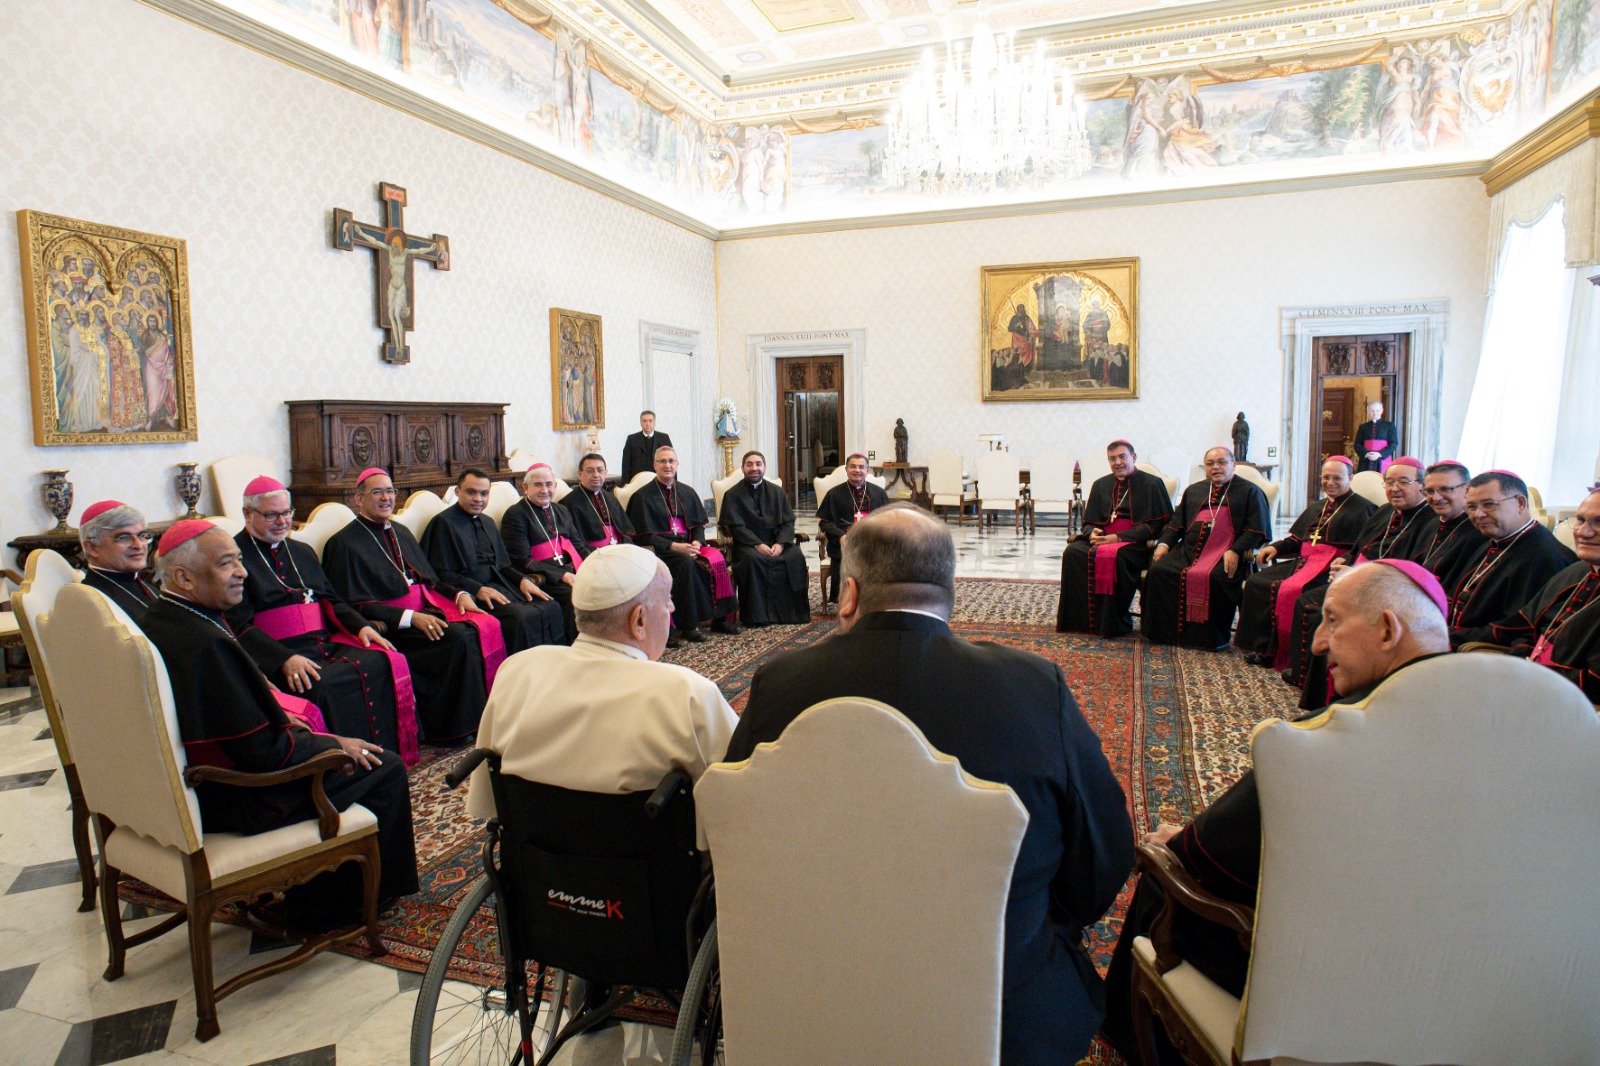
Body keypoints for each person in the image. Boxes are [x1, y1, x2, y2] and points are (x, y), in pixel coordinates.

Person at [726, 506, 1134, 1065]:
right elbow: (1104, 856)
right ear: (951, 592)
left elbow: (735, 837)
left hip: (811, 1004)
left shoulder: (780, 684)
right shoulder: (1034, 685)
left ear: (849, 593)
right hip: (1004, 1018)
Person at [1101, 560, 1452, 1062]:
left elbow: (1210, 856)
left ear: (1387, 629)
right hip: (1455, 969)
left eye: (1333, 621)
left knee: (1163, 879)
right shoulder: (1512, 720)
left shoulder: (1330, 737)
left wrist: (1178, 843)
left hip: (1334, 976)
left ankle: (1134, 1040)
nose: (1318, 644)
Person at [467, 544, 738, 1064]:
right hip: (656, 907)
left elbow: (489, 806)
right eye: (667, 602)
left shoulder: (518, 672)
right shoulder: (683, 692)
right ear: (639, 619)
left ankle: (591, 980)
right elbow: (740, 802)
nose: (673, 611)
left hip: (547, 896)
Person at [138, 521, 418, 926]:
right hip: (240, 795)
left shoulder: (163, 618)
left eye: (239, 560)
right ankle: (350, 904)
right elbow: (263, 751)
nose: (242, 572)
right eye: (226, 564)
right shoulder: (206, 642)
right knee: (384, 766)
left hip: (197, 784)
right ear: (183, 577)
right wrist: (333, 744)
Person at [228, 476, 418, 765]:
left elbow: (330, 600)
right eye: (271, 515)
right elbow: (238, 625)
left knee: (381, 660)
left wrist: (361, 626)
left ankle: (385, 755)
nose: (282, 521)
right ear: (247, 513)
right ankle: (340, 764)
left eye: (286, 513)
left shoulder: (302, 551)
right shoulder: (234, 558)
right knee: (324, 684)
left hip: (323, 642)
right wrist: (283, 659)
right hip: (279, 654)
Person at [322, 468, 493, 743]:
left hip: (424, 611)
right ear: (359, 498)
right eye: (377, 492)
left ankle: (474, 722)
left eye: (390, 491)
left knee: (474, 628)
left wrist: (459, 594)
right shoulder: (343, 544)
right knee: (458, 638)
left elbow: (429, 581)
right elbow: (353, 604)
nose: (386, 498)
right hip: (392, 626)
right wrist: (409, 617)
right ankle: (447, 730)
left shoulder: (400, 531)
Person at [1282, 456, 1435, 700]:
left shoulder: (1429, 521)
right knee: (1306, 601)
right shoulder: (1385, 511)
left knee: (1318, 609)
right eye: (1389, 482)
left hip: (1385, 590)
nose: (1395, 488)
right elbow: (1359, 546)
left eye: (1403, 482)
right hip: (1356, 578)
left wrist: (1356, 574)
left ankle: (1324, 690)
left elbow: (1411, 570)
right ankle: (1304, 675)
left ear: (1421, 485)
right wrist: (1345, 560)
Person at [1236, 456, 1375, 668]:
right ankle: (1263, 648)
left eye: (1337, 478)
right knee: (1257, 582)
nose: (1330, 482)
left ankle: (1290, 655)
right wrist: (1276, 548)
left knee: (1294, 590)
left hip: (1330, 569)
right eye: (1326, 477)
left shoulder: (1365, 509)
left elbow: (1363, 548)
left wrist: (1346, 564)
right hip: (1303, 563)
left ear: (1350, 478)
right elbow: (1296, 539)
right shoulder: (1316, 507)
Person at [422, 468, 565, 653]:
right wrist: (477, 589)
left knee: (551, 606)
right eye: (471, 492)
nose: (478, 499)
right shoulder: (443, 524)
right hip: (471, 592)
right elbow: (440, 574)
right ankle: (523, 667)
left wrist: (522, 580)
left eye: (484, 493)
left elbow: (503, 564)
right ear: (457, 492)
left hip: (500, 584)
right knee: (521, 617)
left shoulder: (487, 522)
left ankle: (552, 662)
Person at [1141, 447, 1271, 649]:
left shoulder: (1250, 491)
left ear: (1233, 465)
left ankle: (1207, 639)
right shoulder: (1194, 490)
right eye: (1210, 464)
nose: (1215, 467)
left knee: (1216, 578)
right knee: (1159, 571)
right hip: (1189, 551)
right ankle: (1163, 633)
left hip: (1225, 553)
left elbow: (1256, 530)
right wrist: (1164, 544)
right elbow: (1176, 524)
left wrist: (1236, 550)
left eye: (1222, 462)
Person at [1479, 487, 1600, 700]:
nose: (1583, 532)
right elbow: (1532, 628)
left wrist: (1527, 675)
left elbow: (1595, 683)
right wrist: (1520, 659)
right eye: (1580, 520)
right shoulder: (1578, 572)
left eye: (1598, 523)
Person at [1056, 441, 1173, 637]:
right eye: (1112, 459)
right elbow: (1088, 522)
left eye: (1122, 457)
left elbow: (1157, 526)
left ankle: (1113, 622)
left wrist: (1119, 538)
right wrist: (1092, 532)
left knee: (1116, 556)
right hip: (1104, 539)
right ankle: (1081, 621)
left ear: (1133, 458)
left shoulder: (1152, 484)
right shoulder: (1101, 485)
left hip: (1136, 544)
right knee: (1073, 552)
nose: (1117, 462)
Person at [1446, 470, 1575, 646]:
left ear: (1521, 503)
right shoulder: (1495, 542)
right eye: (1472, 507)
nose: (1478, 514)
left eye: (1489, 504)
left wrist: (1447, 636)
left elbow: (1514, 630)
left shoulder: (1544, 556)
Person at [626, 446, 739, 645]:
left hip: (689, 547)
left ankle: (720, 619)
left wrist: (697, 542)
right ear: (654, 465)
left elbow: (698, 526)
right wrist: (674, 547)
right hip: (662, 551)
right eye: (662, 461)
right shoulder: (642, 497)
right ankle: (689, 625)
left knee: (717, 559)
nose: (667, 465)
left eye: (671, 461)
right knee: (686, 563)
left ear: (677, 464)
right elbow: (644, 536)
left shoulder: (687, 492)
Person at [718, 451, 810, 626]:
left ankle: (791, 615)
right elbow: (735, 527)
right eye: (749, 464)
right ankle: (757, 617)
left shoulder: (776, 492)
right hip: (747, 545)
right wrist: (757, 544)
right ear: (743, 468)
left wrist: (781, 543)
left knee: (795, 556)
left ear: (764, 468)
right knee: (754, 560)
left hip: (776, 541)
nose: (754, 468)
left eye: (758, 464)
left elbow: (788, 522)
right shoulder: (733, 494)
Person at [499, 463, 585, 644]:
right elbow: (521, 560)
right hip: (543, 578)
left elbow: (578, 545)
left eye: (549, 484)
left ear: (555, 486)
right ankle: (576, 648)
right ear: (525, 487)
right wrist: (561, 575)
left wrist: (599, 561)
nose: (545, 490)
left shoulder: (561, 510)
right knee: (574, 595)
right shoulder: (515, 515)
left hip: (570, 571)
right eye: (538, 485)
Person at [816, 453, 890, 604]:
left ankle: (874, 599)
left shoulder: (879, 493)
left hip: (871, 541)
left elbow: (888, 520)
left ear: (867, 470)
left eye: (861, 467)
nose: (857, 470)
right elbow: (825, 522)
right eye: (853, 466)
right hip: (844, 542)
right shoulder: (834, 494)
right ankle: (845, 600)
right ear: (846, 469)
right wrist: (840, 536)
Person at [78, 500, 158, 620]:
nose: (138, 545)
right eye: (124, 538)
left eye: (141, 536)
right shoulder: (93, 603)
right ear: (92, 547)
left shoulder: (145, 585)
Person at [1416, 460, 1484, 587]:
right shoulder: (1429, 525)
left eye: (1446, 489)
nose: (1436, 498)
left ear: (1467, 489)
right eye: (1429, 491)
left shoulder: (1479, 532)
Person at [559, 452, 635, 552]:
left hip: (620, 551)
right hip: (593, 555)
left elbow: (626, 530)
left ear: (605, 473)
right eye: (590, 471)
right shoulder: (568, 503)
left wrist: (625, 548)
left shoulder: (610, 497)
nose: (596, 475)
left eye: (600, 470)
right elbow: (573, 542)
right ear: (580, 474)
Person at [620, 410, 672, 485]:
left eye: (650, 421)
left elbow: (671, 460)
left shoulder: (664, 438)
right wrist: (625, 484)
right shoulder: (632, 439)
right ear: (641, 423)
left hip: (659, 479)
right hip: (637, 481)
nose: (648, 424)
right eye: (644, 421)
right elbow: (626, 463)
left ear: (654, 423)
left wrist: (673, 482)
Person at [1354, 399, 1400, 473]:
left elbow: (1393, 443)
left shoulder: (1389, 426)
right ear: (1368, 411)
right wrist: (1366, 454)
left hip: (1382, 459)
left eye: (1377, 410)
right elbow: (1357, 444)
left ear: (1382, 410)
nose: (1375, 413)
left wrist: (1379, 454)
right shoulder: (1363, 427)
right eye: (1372, 411)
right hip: (1366, 460)